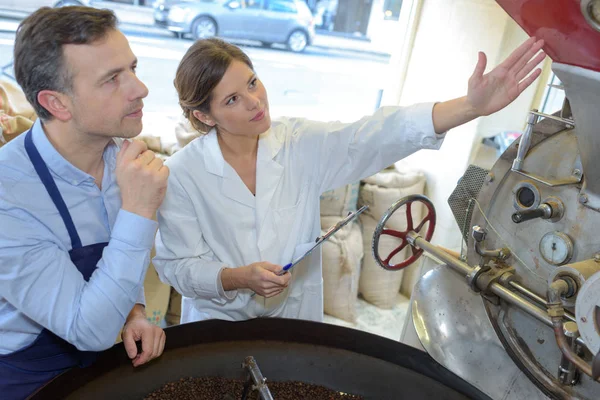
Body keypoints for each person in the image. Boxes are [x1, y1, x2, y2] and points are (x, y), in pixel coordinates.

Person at [153, 37, 545, 324]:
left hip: (292, 317)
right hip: (217, 322)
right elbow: (176, 266)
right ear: (205, 116)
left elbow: (371, 135)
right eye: (232, 99)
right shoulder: (183, 174)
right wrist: (237, 277)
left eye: (253, 83)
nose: (255, 101)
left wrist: (469, 107)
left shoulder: (294, 143)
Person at [0, 6, 169, 399]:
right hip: (26, 382)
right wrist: (139, 211)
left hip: (99, 372)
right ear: (57, 104)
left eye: (133, 67)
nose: (140, 88)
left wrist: (134, 312)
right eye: (112, 79)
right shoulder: (8, 196)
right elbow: (88, 330)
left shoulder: (120, 161)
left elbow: (118, 261)